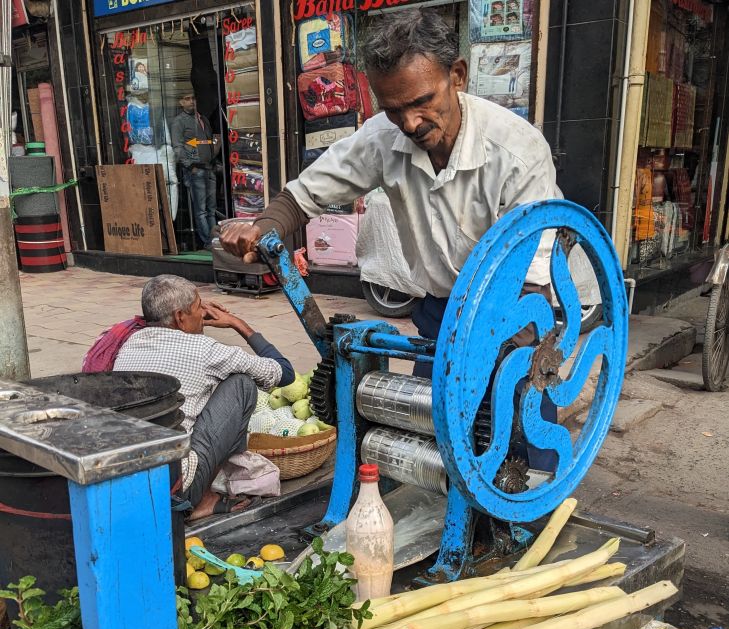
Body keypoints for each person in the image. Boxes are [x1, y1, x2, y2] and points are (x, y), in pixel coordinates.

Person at [218, 9, 559, 469]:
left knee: (521, 431)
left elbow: (530, 271)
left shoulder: (517, 151)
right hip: (441, 310)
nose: (411, 122)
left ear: (456, 75)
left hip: (515, 310)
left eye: (422, 101)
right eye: (393, 109)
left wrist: (500, 358)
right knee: (434, 444)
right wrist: (263, 228)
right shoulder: (382, 137)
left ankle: (539, 508)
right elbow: (306, 195)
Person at [114, 275, 295, 520]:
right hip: (178, 490)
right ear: (180, 317)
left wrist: (195, 318)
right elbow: (284, 372)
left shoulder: (130, 343)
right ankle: (204, 499)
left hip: (129, 484)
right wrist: (236, 323)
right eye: (199, 307)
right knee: (241, 384)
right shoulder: (204, 350)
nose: (204, 313)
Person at [171, 91, 219, 249]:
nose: (191, 101)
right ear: (181, 102)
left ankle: (215, 239)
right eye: (187, 99)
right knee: (201, 210)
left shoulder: (202, 118)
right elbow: (177, 147)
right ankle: (208, 241)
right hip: (195, 169)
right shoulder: (179, 121)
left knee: (211, 209)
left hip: (208, 168)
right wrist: (189, 166)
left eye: (193, 98)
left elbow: (209, 141)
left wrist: (214, 160)